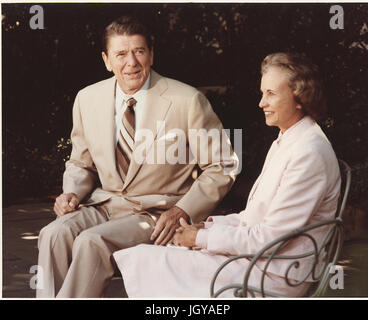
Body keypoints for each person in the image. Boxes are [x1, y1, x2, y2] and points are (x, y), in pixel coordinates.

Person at [36, 15, 238, 298]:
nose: (131, 62)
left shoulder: (187, 100)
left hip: (157, 214)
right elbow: (81, 162)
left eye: (139, 51)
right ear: (106, 60)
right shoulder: (87, 99)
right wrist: (71, 192)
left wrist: (184, 210)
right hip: (104, 205)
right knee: (53, 234)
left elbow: (222, 165)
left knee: (91, 242)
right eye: (120, 54)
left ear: (151, 55)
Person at [113, 52, 341, 298]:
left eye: (271, 94)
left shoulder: (308, 152)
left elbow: (270, 238)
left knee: (146, 258)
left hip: (273, 275)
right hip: (260, 262)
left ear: (300, 98)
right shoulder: (290, 139)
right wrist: (205, 227)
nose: (261, 103)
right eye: (262, 93)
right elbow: (255, 218)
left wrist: (200, 238)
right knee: (156, 253)